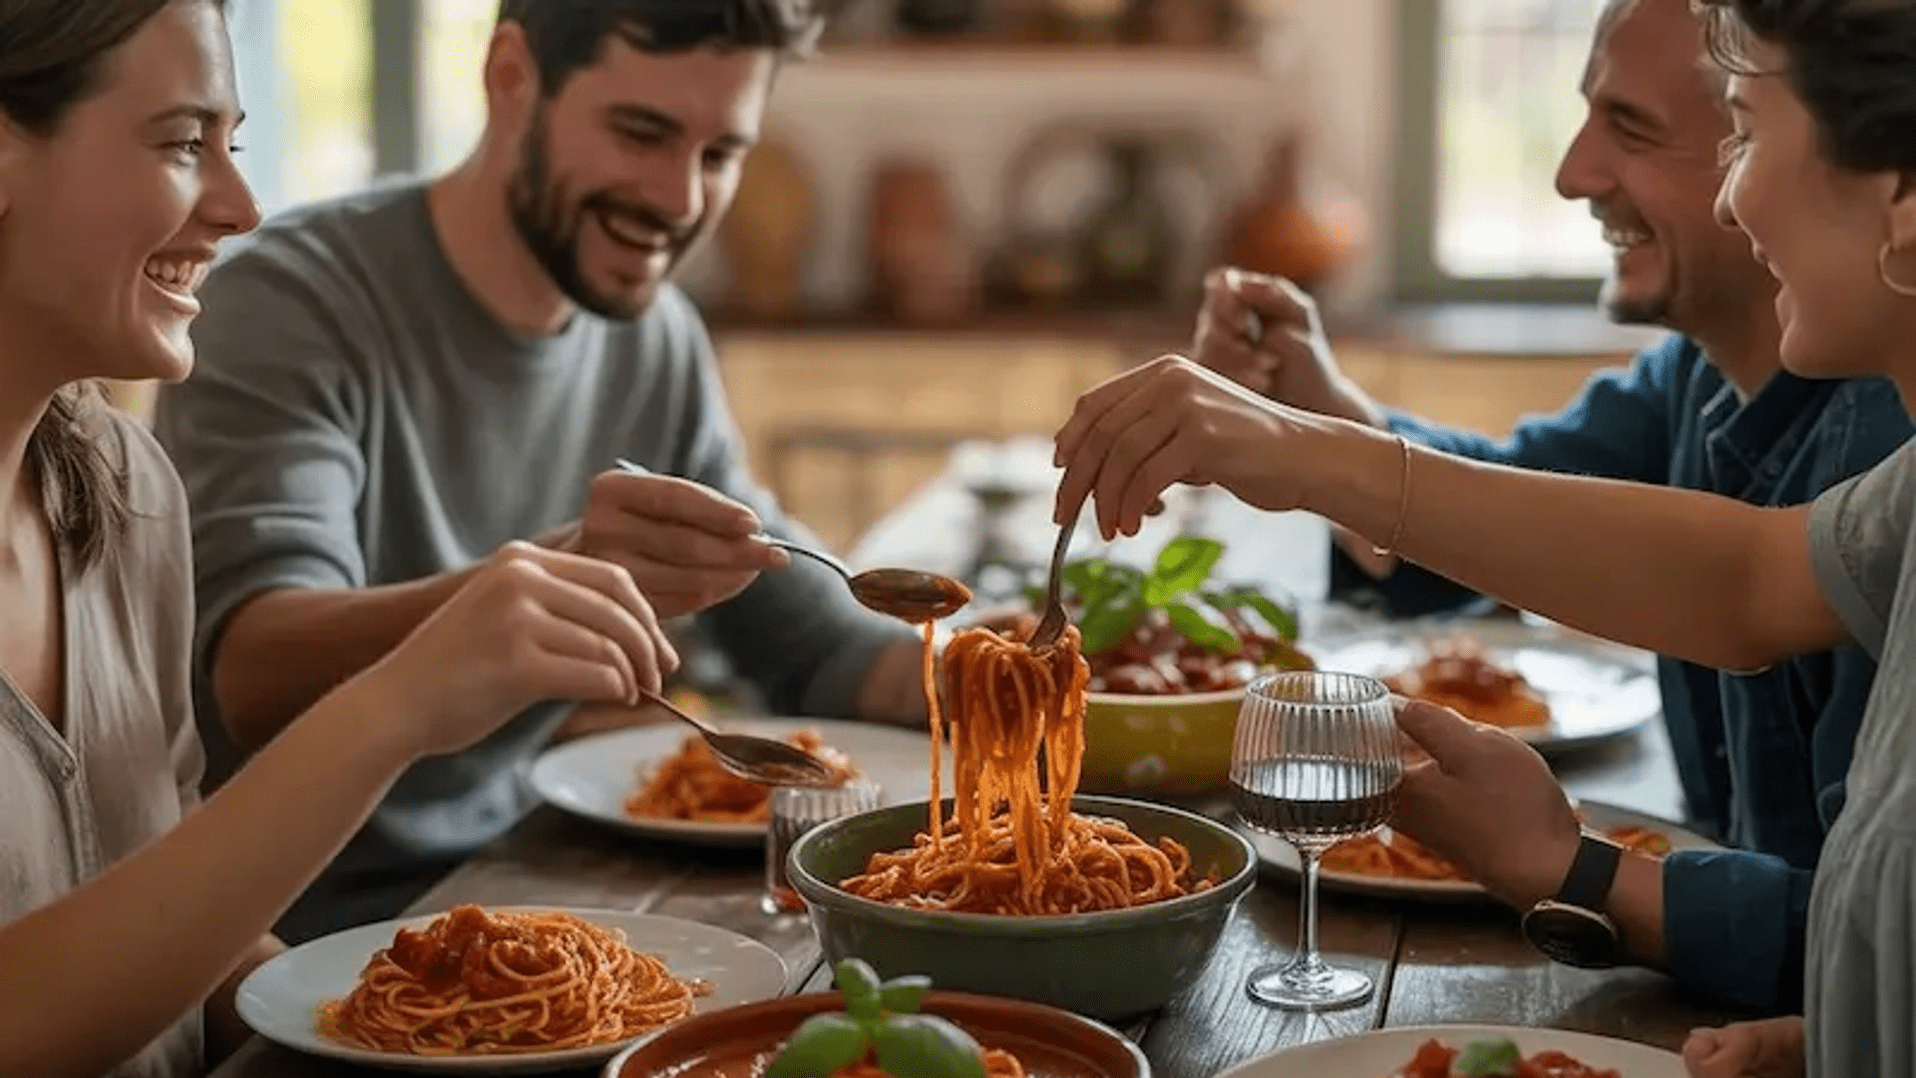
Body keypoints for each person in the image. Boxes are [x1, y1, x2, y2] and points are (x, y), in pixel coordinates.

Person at [1052, 0, 1916, 1069]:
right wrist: (1312, 431)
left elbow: (1850, 922)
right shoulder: (1851, 478)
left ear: (1901, 190)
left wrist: (1565, 865)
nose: (1567, 174)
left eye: (1741, 126)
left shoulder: (1875, 433)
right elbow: (1725, 575)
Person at [151, 0, 926, 944]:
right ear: (510, 76)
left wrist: (1021, 671)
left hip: (539, 887)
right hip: (299, 936)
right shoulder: (294, 302)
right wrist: (542, 579)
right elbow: (250, 667)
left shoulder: (655, 337)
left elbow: (814, 640)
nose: (682, 199)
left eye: (720, 154)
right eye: (642, 132)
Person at [0, 3, 677, 1076]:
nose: (241, 206)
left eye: (237, 144)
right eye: (183, 144)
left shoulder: (125, 488)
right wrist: (396, 704)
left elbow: (177, 904)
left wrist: (414, 1020)